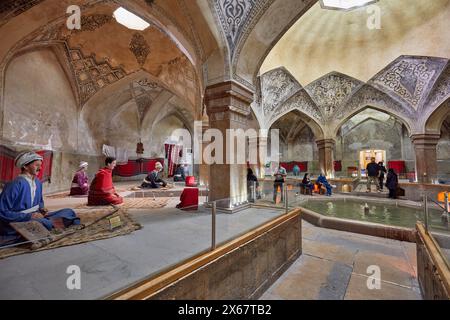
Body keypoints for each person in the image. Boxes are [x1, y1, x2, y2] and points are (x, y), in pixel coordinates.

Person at [0, 151, 80, 240]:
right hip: (19, 221)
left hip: (36, 217)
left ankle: (49, 225)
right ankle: (51, 225)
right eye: (36, 165)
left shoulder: (38, 182)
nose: (40, 168)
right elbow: (2, 212)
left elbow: (40, 202)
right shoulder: (14, 185)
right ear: (25, 166)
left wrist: (42, 209)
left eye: (40, 165)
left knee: (69, 211)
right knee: (44, 223)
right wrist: (29, 216)